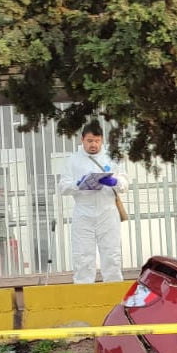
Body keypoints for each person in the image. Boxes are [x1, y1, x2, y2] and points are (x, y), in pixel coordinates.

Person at [59, 121, 128, 284]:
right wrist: (78, 184)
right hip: (83, 212)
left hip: (107, 211)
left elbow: (124, 183)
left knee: (111, 254)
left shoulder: (112, 158)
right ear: (82, 140)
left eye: (97, 141)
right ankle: (84, 292)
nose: (93, 144)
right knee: (83, 256)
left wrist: (114, 182)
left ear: (102, 140)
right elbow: (63, 187)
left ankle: (113, 291)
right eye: (90, 141)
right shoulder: (73, 160)